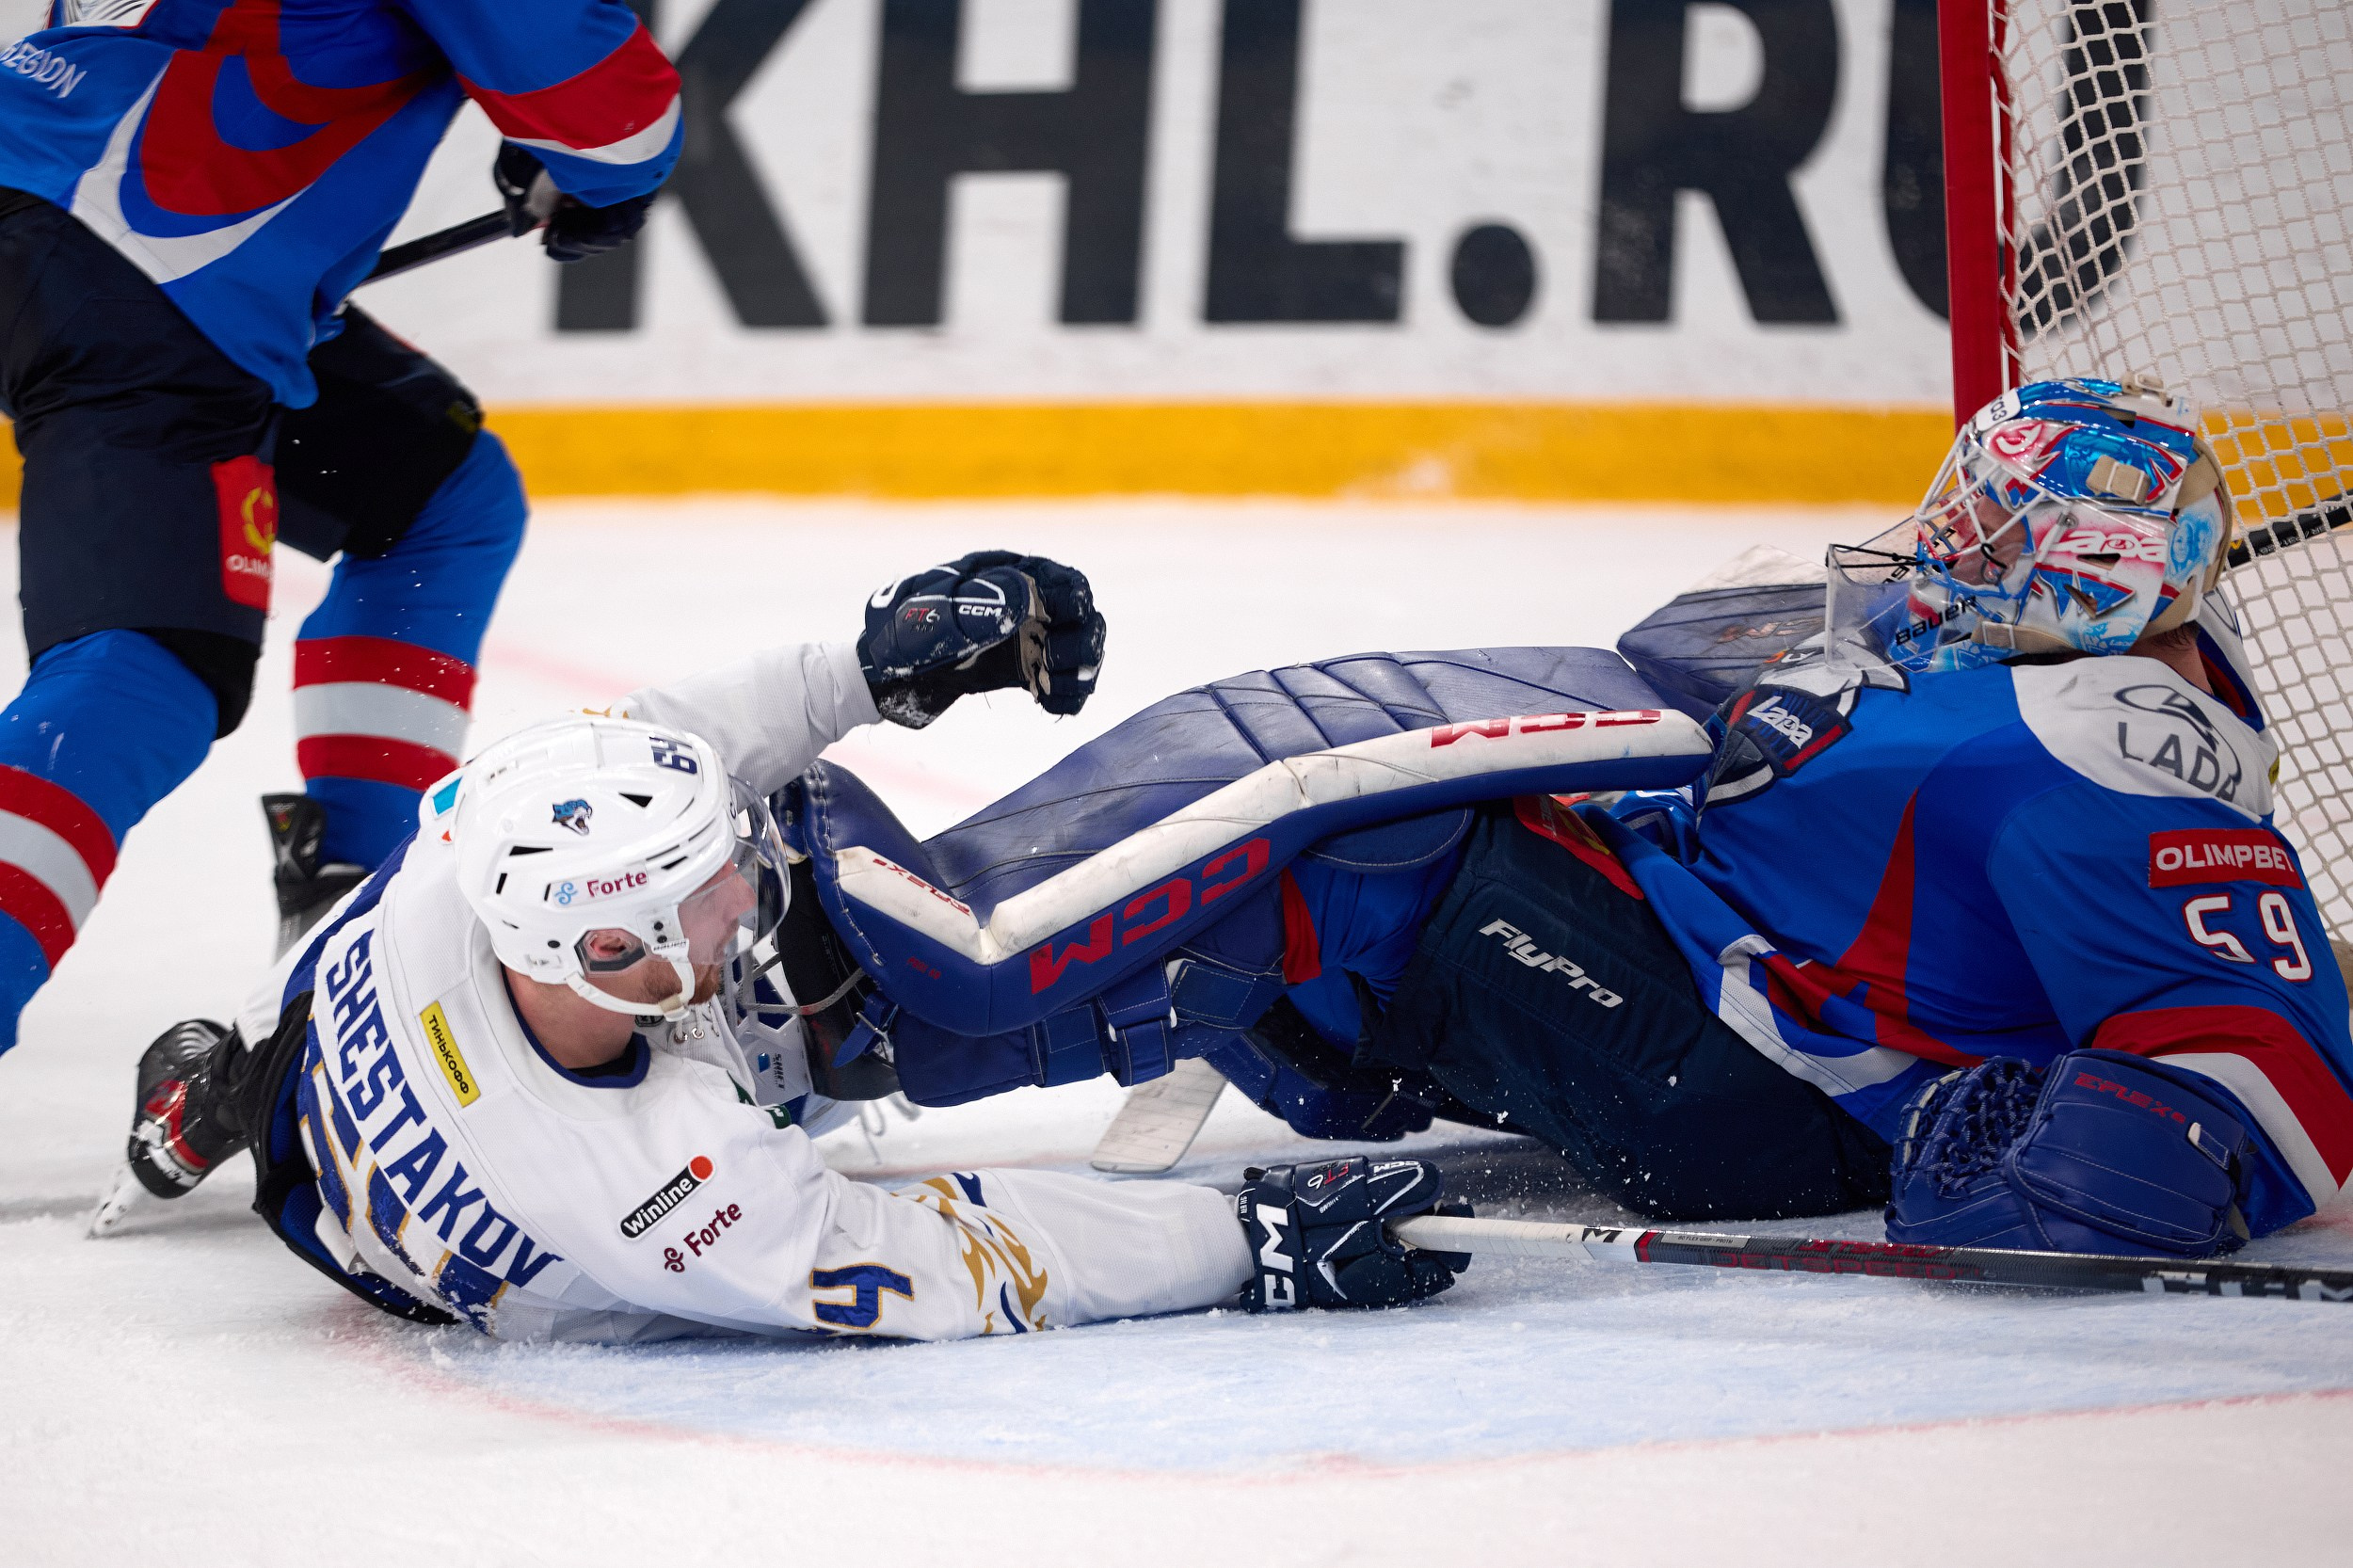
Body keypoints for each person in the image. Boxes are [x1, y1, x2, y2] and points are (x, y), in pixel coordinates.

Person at [767, 377, 2351, 1265]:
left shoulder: (2123, 744)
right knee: (1370, 792)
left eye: (1996, 526)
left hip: (1763, 1096)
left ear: (2086, 571)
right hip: (1689, 954)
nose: (1950, 539)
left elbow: (2291, 1072)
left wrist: (2134, 1152)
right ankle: (885, 995)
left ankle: (869, 1034)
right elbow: (1692, 663)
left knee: (1385, 856)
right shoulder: (2014, 650)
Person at [101, 551, 1469, 1340]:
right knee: (903, 1012)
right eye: (701, 896)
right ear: (608, 958)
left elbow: (654, 734)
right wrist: (1240, 1242)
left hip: (345, 1036)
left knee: (286, 1042)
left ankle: (216, 1089)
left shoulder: (488, 870)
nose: (740, 887)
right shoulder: (667, 1184)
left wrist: (873, 670)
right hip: (431, 1188)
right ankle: (218, 1087)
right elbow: (940, 1259)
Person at [0, 0, 684, 1058]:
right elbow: (603, 114)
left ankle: (346, 924)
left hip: (66, 198)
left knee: (442, 499)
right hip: (148, 273)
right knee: (146, 673)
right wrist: (605, 178)